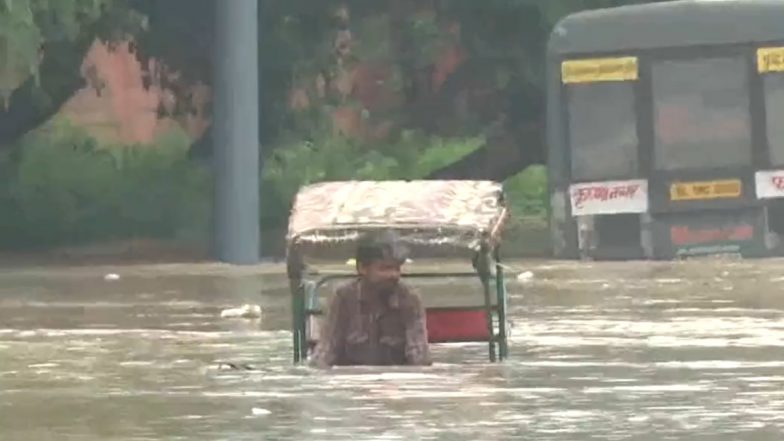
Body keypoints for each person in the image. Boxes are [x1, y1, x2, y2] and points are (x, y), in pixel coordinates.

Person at [311, 230, 432, 367]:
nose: (393, 275)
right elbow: (327, 349)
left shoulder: (408, 298)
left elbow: (418, 351)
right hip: (352, 380)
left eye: (397, 268)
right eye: (385, 268)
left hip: (396, 381)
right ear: (362, 268)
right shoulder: (344, 297)